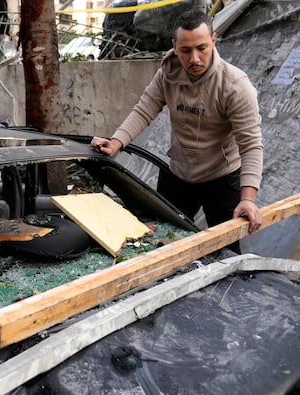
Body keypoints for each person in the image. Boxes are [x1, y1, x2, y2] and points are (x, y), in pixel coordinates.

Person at [90, 10, 263, 252]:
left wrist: (248, 199)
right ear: (175, 46)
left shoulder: (234, 86)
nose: (194, 59)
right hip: (179, 173)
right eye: (185, 50)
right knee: (164, 242)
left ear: (213, 41)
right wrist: (116, 141)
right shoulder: (168, 74)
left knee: (225, 252)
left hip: (222, 178)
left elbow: (251, 145)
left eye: (202, 48)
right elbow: (144, 109)